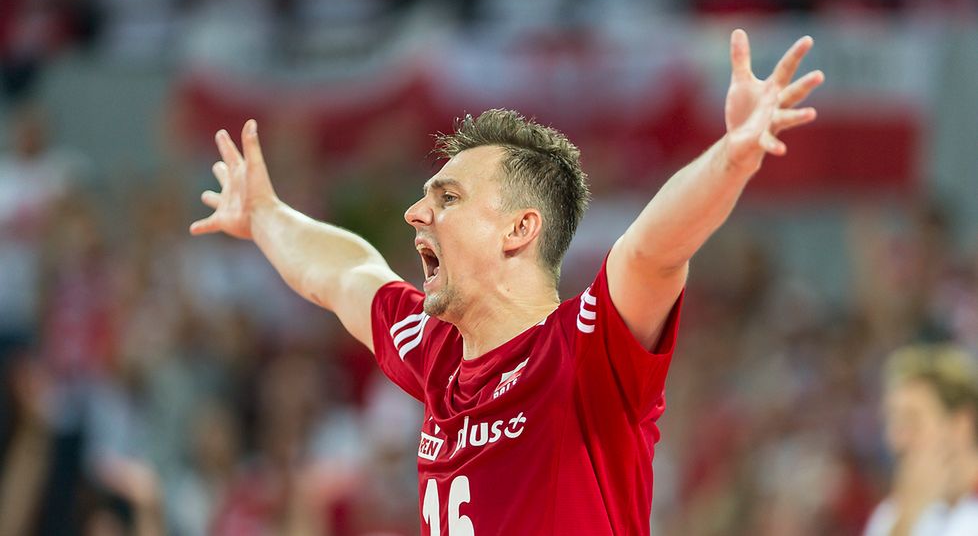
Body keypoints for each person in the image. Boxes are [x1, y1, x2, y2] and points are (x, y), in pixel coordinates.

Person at [190, 29, 824, 535]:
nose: (416, 213)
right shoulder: (432, 348)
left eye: (448, 197)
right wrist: (265, 216)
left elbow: (652, 250)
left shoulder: (584, 349)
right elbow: (342, 273)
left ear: (519, 229)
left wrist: (731, 156)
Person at [864, 344, 978, 536]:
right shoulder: (893, 513)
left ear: (961, 425)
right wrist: (907, 519)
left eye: (912, 421)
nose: (896, 440)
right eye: (892, 422)